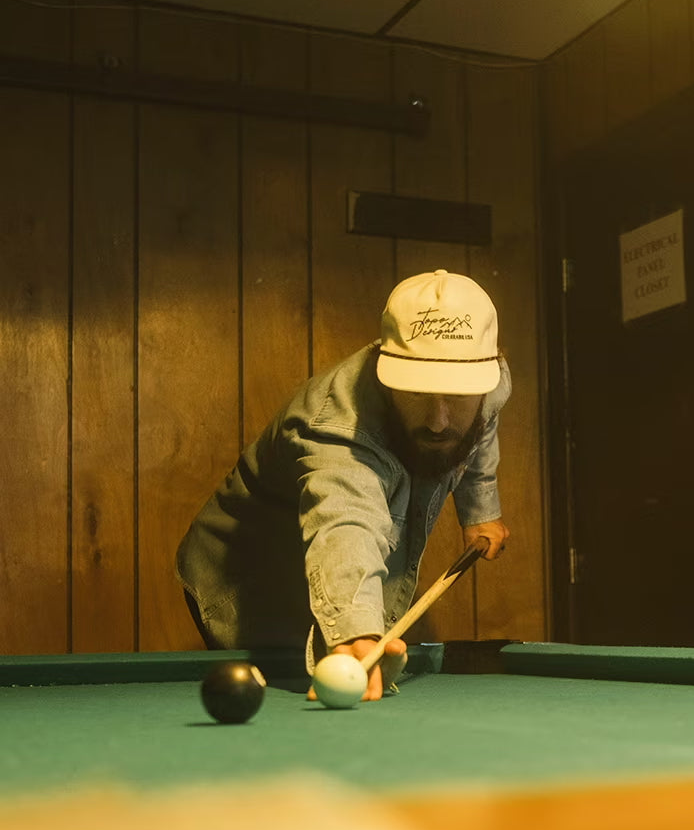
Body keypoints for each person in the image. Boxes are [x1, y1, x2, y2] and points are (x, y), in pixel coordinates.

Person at [175, 269, 511, 701]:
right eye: (417, 393)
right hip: (251, 579)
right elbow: (345, 524)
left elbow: (479, 428)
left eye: (458, 394)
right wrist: (355, 628)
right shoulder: (337, 430)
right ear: (383, 371)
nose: (438, 419)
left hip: (325, 575)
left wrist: (481, 511)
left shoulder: (491, 382)